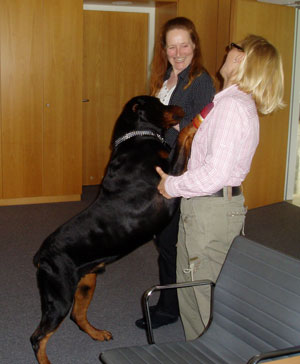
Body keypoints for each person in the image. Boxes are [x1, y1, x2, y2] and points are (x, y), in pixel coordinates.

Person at [156, 34, 285, 340]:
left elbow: (215, 173)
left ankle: (213, 352)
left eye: (233, 49)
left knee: (205, 294)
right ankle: (198, 351)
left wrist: (171, 186)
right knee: (191, 285)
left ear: (242, 59)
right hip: (203, 205)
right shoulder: (225, 103)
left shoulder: (231, 109)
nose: (228, 52)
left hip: (210, 209)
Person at [135, 17, 215, 329]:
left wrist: (167, 124)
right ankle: (171, 301)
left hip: (182, 172)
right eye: (172, 46)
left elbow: (201, 132)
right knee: (164, 240)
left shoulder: (201, 81)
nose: (178, 51)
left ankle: (171, 308)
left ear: (195, 46)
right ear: (164, 49)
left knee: (170, 241)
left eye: (184, 44)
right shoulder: (165, 78)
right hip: (162, 167)